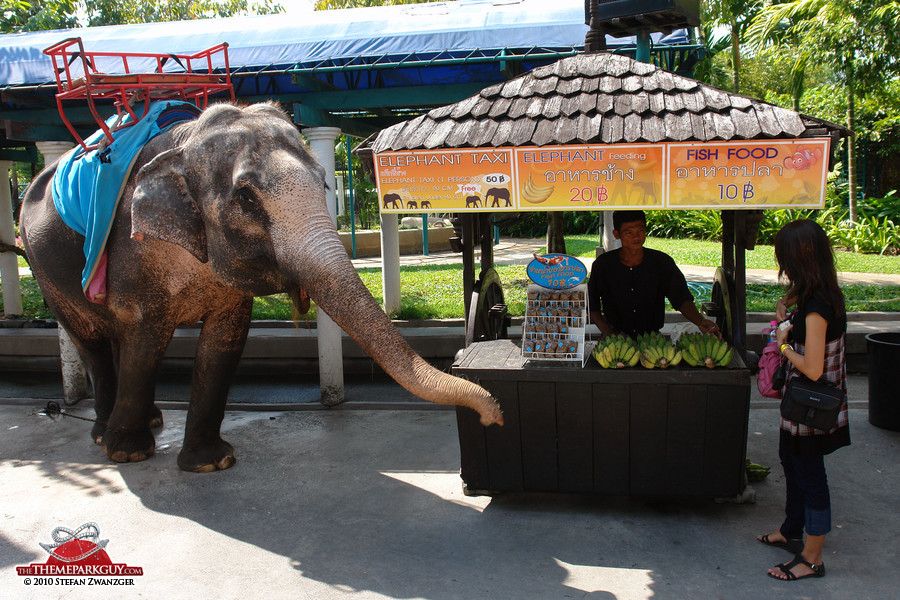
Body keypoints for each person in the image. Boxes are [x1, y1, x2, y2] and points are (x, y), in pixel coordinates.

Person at [757, 219, 851, 582]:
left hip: (812, 404)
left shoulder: (817, 307)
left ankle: (812, 559)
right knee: (789, 459)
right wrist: (785, 306)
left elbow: (812, 367)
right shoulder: (819, 288)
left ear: (797, 258)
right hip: (801, 405)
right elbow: (797, 297)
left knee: (811, 476)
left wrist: (781, 342)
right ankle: (791, 529)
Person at [587, 210, 719, 339]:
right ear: (617, 234)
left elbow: (681, 298)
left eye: (640, 230)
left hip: (652, 339)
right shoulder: (603, 265)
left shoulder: (661, 262)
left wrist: (700, 321)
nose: (636, 237)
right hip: (615, 336)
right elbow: (592, 306)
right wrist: (607, 331)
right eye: (629, 232)